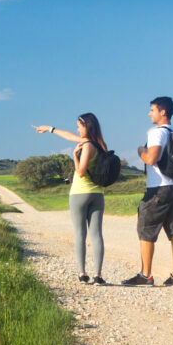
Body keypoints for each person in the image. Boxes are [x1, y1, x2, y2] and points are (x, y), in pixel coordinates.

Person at [32, 113, 108, 285]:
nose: (77, 129)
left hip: (80, 193)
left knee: (80, 234)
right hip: (98, 194)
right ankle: (98, 275)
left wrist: (74, 155)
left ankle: (82, 273)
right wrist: (50, 129)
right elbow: (68, 135)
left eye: (79, 126)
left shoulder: (86, 146)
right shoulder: (100, 145)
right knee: (96, 235)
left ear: (86, 126)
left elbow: (80, 172)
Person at [122, 96, 173, 287]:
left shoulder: (157, 132)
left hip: (158, 189)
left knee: (146, 230)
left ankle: (145, 275)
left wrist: (141, 150)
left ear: (162, 112)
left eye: (152, 109)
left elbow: (151, 159)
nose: (149, 113)